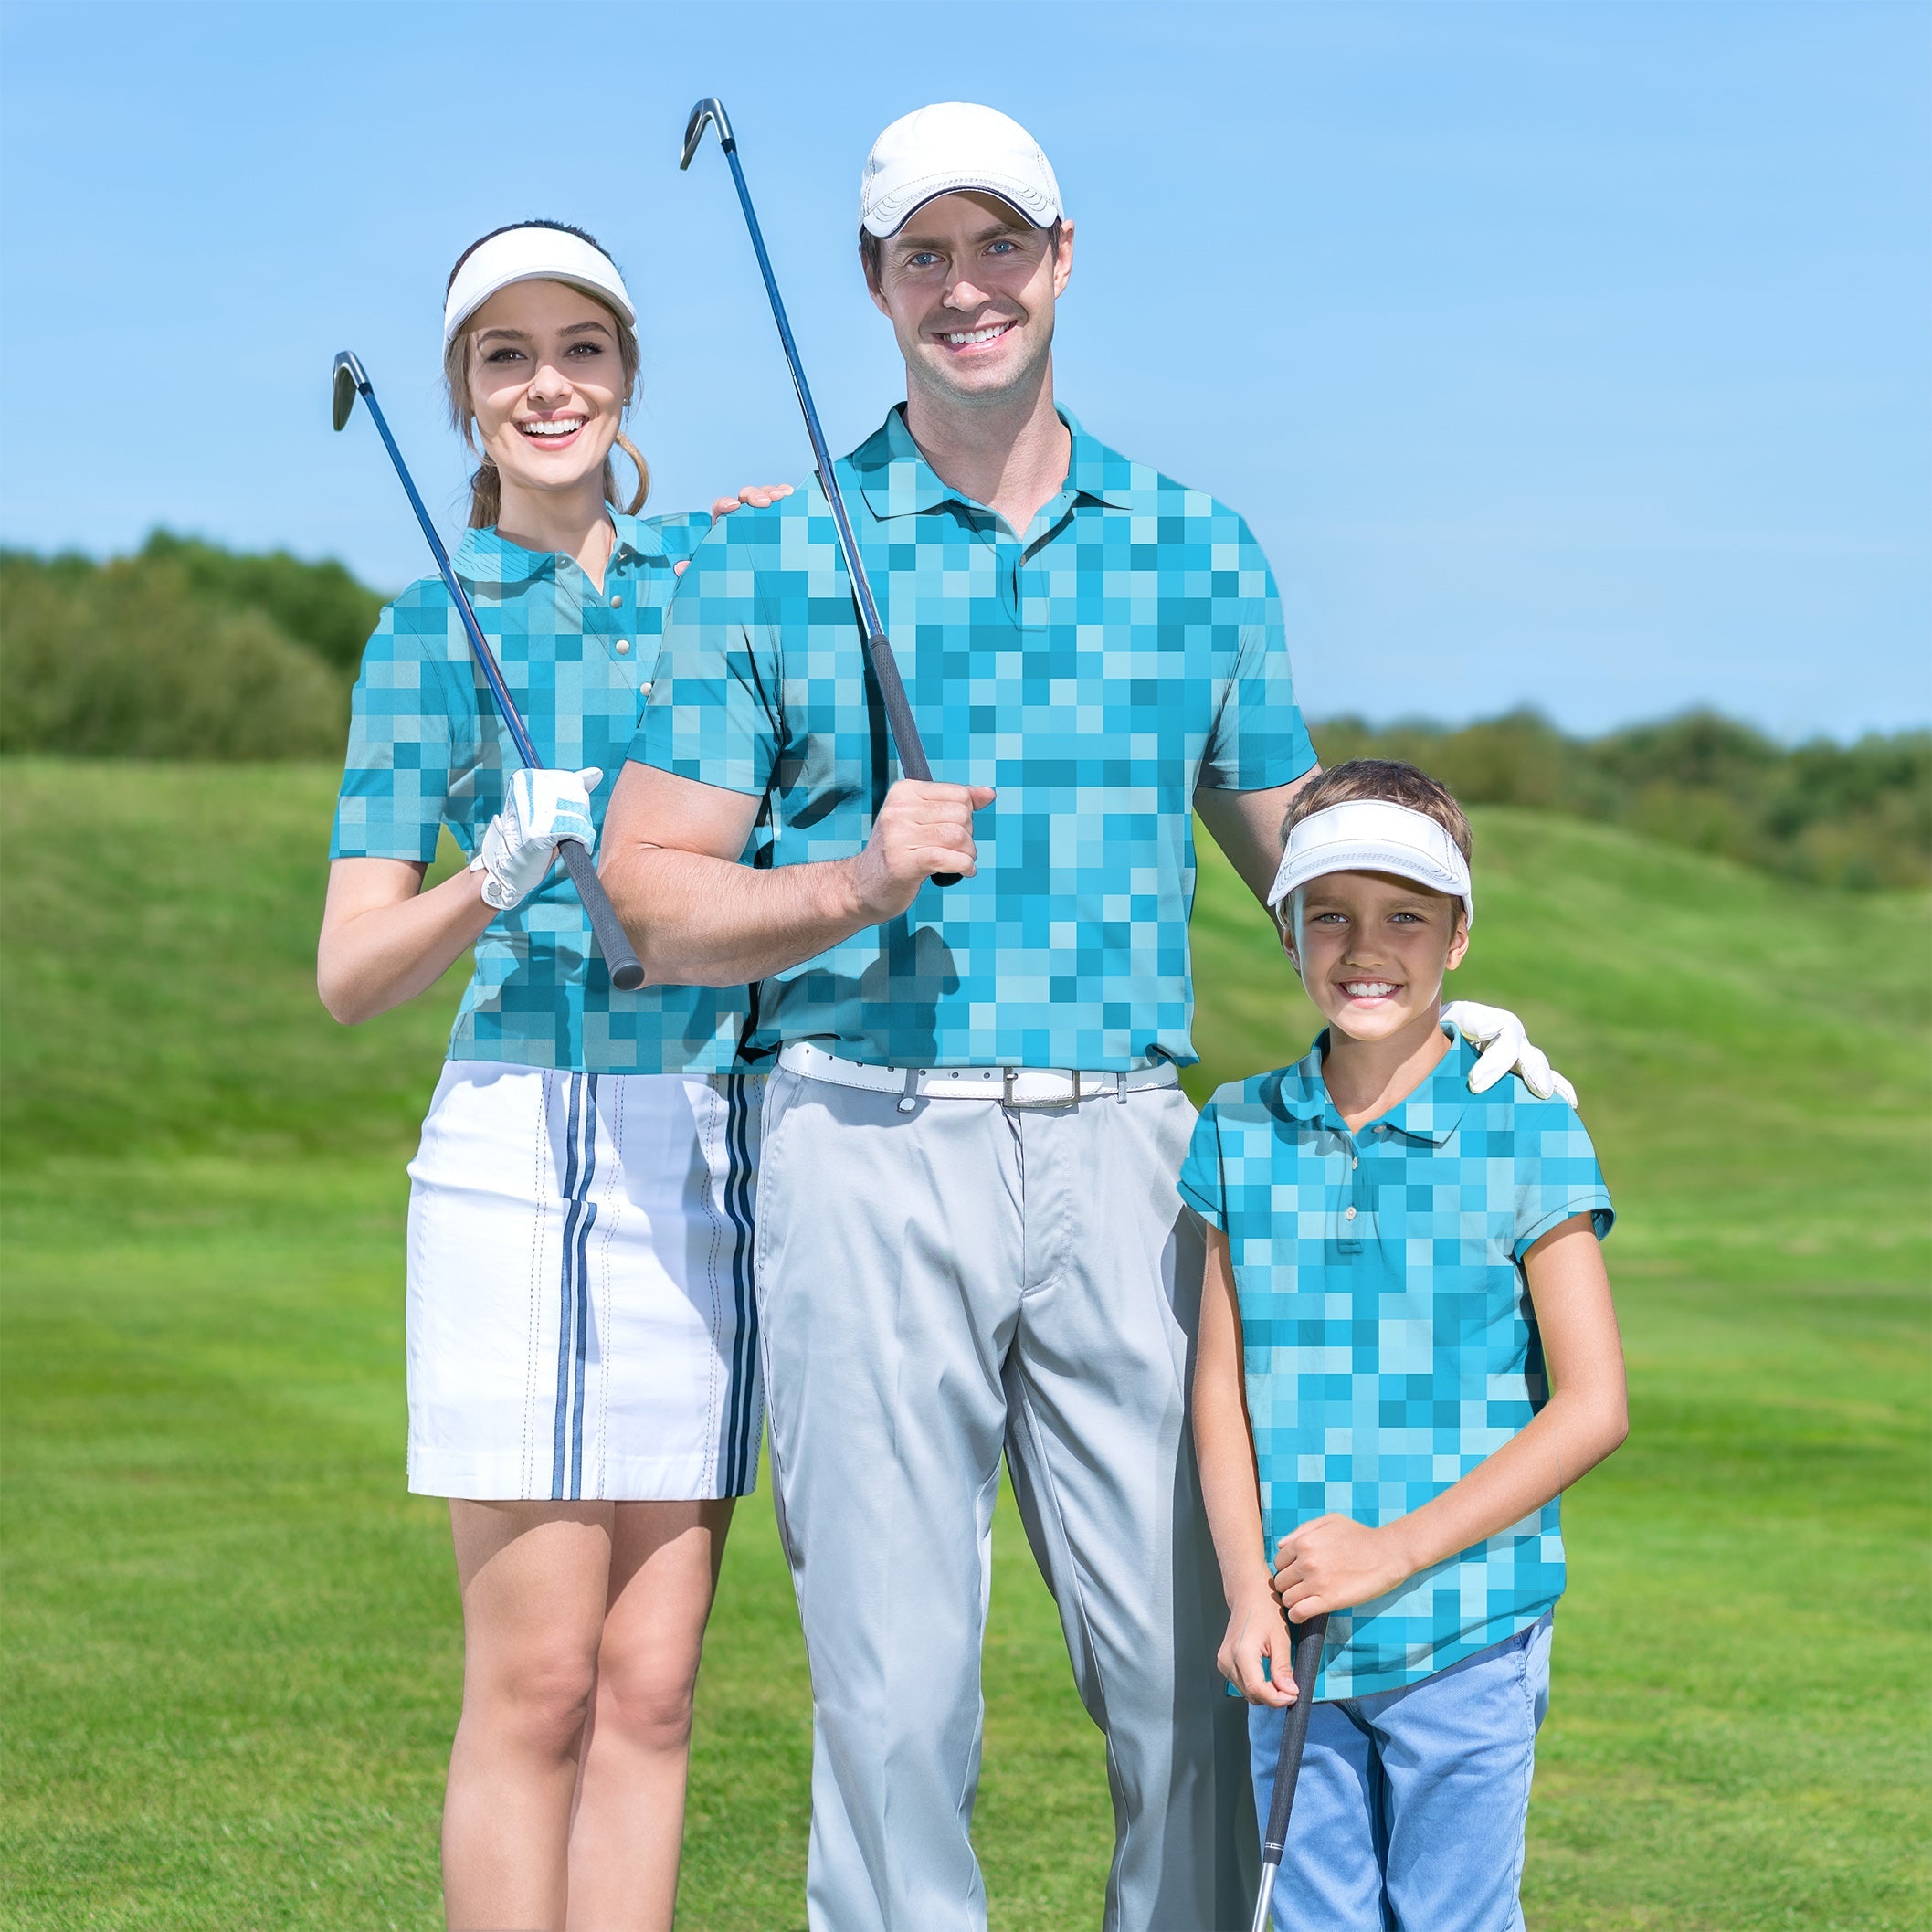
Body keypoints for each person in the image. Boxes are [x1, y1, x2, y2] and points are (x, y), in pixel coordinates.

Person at [599, 106, 1568, 1931]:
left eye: (999, 245)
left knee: (1200, 1671)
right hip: (859, 1133)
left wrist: (1449, 983)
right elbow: (648, 892)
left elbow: (1298, 847)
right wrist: (843, 886)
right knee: (893, 1699)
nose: (966, 288)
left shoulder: (1198, 552)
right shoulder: (779, 554)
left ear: (1060, 255)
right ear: (875, 285)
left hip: (1134, 1154)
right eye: (923, 255)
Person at [317, 220, 786, 1932]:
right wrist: (489, 876)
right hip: (518, 1145)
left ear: (627, 375)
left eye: (579, 349)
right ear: (463, 394)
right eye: (505, 356)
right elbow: (351, 972)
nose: (547, 385)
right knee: (538, 1686)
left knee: (654, 1686)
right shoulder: (420, 635)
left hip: (699, 1147)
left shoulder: (718, 591)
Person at [1183, 759, 1630, 1932]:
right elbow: (1218, 1391)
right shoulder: (1238, 1128)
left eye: (1404, 917)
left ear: (1458, 938)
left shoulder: (1527, 1127)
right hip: (1294, 1631)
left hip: (1467, 1624)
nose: (1363, 946)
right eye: (1328, 913)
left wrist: (1391, 1555)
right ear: (1286, 929)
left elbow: (1593, 1406)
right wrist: (1245, 1593)